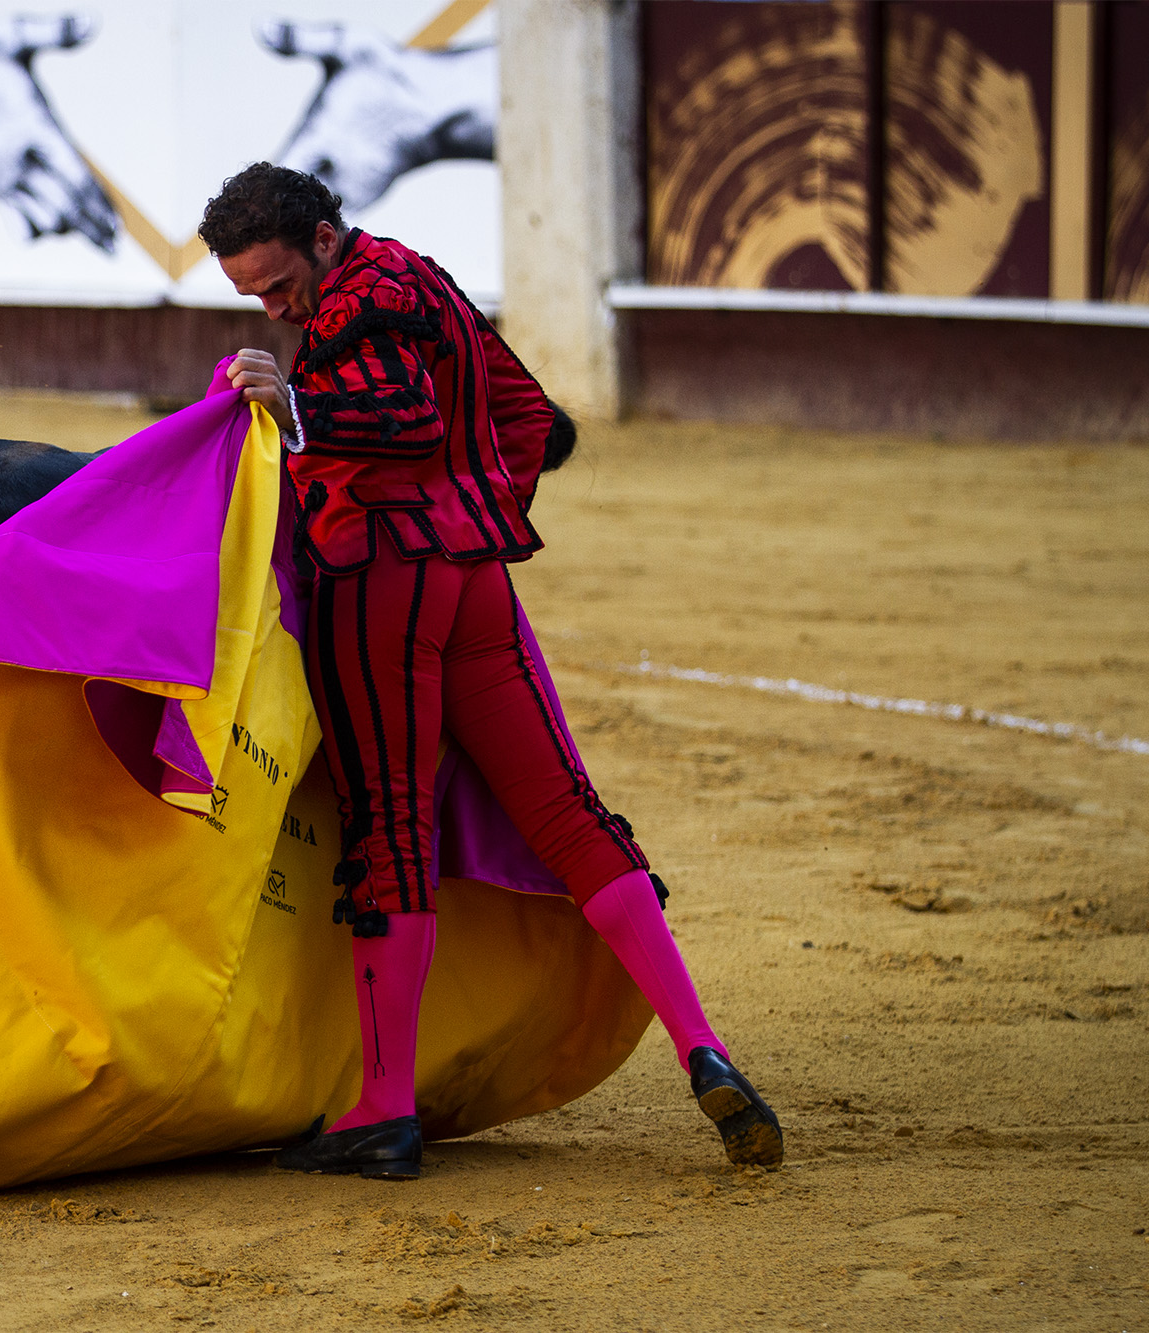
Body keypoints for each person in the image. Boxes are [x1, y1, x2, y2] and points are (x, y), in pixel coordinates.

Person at [199, 163, 781, 1181]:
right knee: (568, 813)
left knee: (389, 826)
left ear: (325, 238)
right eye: (254, 295)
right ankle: (702, 1045)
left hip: (381, 581)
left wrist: (295, 409)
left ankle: (382, 1112)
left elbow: (405, 421)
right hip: (473, 582)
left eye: (279, 285)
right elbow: (536, 421)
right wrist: (468, 502)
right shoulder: (421, 279)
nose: (275, 308)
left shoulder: (356, 304)